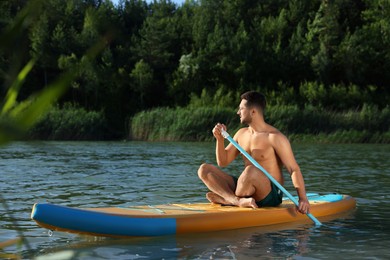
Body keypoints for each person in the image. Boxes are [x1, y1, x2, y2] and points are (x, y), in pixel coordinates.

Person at [198, 91, 310, 214]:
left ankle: (229, 198)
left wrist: (303, 199)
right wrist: (219, 140)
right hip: (245, 187)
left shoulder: (275, 137)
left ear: (253, 112)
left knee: (250, 171)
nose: (238, 112)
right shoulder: (241, 134)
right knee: (204, 170)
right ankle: (236, 201)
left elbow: (293, 169)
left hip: (270, 194)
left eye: (241, 109)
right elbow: (223, 162)